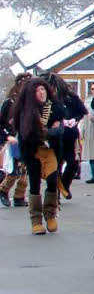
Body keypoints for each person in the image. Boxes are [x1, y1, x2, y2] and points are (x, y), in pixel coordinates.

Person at [11, 77, 66, 234]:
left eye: (43, 89)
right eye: (37, 91)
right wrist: (49, 132)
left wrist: (45, 132)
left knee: (52, 179)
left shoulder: (55, 107)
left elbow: (60, 129)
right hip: (33, 151)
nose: (41, 93)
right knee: (34, 183)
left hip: (51, 151)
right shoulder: (25, 111)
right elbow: (27, 135)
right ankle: (36, 220)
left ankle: (50, 215)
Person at [42, 73, 87, 200]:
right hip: (54, 136)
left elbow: (81, 112)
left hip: (69, 134)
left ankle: (65, 185)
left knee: (73, 163)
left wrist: (74, 119)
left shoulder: (71, 97)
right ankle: (53, 192)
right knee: (56, 164)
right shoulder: (46, 100)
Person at [0, 73, 31, 207]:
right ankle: (3, 190)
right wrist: (7, 136)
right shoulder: (10, 102)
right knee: (13, 170)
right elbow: (2, 123)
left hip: (27, 138)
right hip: (13, 139)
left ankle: (19, 196)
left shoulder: (31, 103)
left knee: (25, 170)